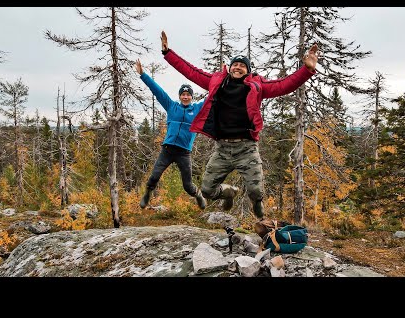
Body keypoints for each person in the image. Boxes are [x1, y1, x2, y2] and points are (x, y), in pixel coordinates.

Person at [159, 31, 319, 219]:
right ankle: (229, 193)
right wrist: (168, 53)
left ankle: (257, 203)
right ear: (229, 68)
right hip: (222, 149)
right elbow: (191, 72)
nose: (238, 67)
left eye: (242, 66)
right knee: (207, 190)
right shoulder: (216, 82)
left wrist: (306, 70)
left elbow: (284, 85)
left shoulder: (257, 86)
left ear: (248, 70)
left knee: (255, 190)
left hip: (246, 148)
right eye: (235, 64)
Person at [135, 59, 206, 210]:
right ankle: (147, 194)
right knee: (154, 176)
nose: (185, 97)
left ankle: (198, 195)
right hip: (167, 150)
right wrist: (143, 74)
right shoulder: (171, 106)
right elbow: (158, 91)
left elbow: (213, 97)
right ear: (180, 96)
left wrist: (225, 80)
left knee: (188, 186)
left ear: (191, 97)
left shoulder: (197, 109)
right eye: (183, 94)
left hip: (184, 153)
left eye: (188, 95)